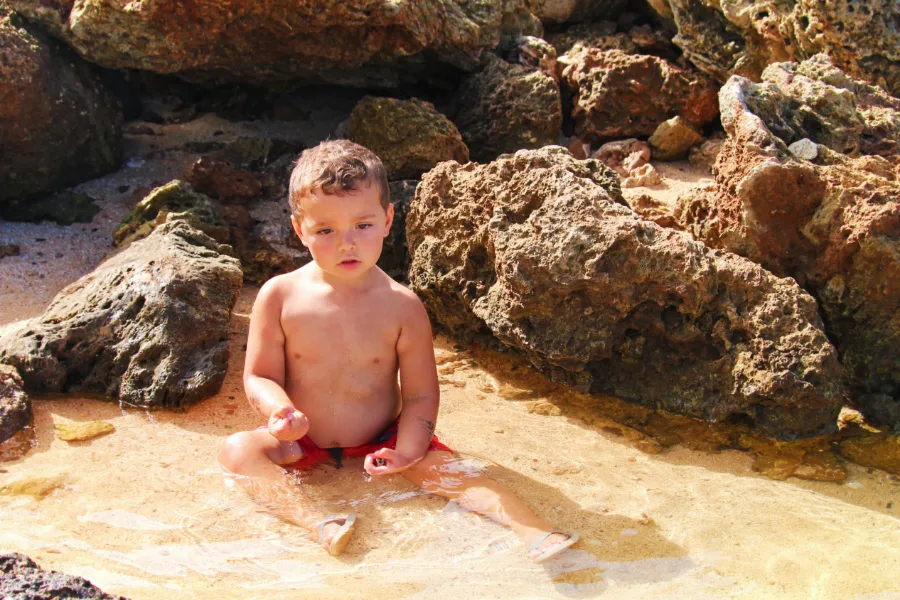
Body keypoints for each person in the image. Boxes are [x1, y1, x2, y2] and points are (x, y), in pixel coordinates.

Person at [218, 139, 579, 560]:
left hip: (380, 439)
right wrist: (279, 413)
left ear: (388, 219)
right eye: (326, 230)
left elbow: (422, 394)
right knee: (237, 451)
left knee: (445, 469)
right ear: (300, 230)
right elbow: (259, 376)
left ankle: (534, 530)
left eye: (362, 225)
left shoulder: (402, 306)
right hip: (302, 441)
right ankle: (318, 519)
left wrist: (407, 451)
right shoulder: (278, 296)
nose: (346, 243)